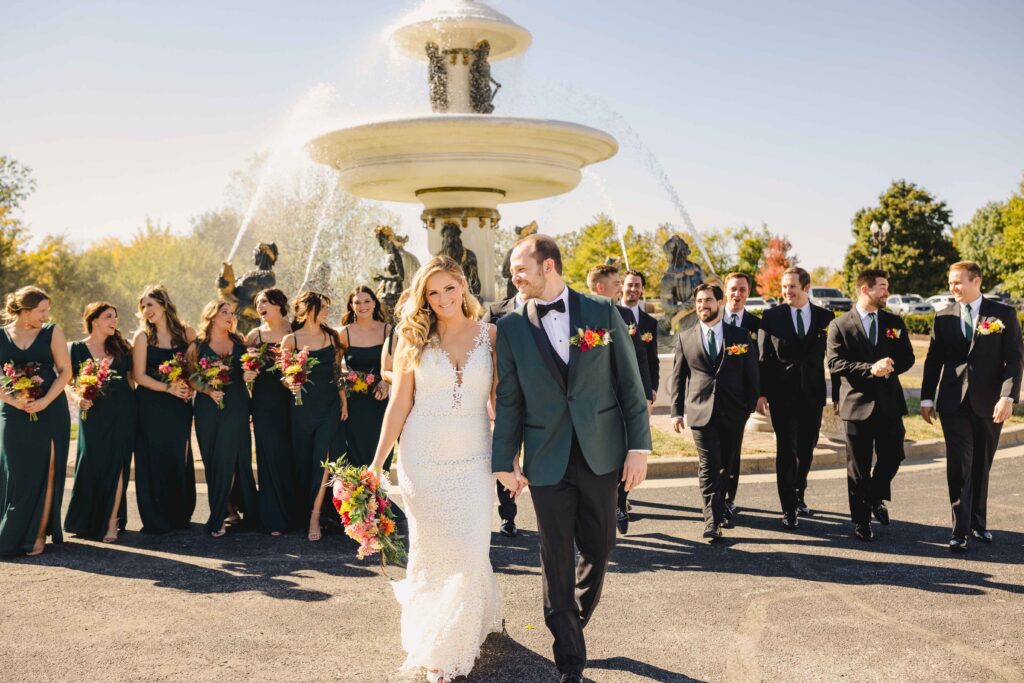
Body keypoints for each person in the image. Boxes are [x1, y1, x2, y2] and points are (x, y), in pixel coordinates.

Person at [493, 235, 651, 683]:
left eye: (520, 268)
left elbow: (630, 385)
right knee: (554, 555)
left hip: (602, 454)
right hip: (545, 458)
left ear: (548, 266)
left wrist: (638, 449)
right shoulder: (510, 328)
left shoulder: (602, 313)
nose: (514, 276)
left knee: (600, 547)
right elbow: (509, 401)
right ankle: (570, 661)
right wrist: (505, 460)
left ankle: (571, 623)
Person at [370, 256, 502, 683]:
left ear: (463, 287)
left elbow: (499, 404)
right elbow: (399, 404)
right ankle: (439, 649)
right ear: (423, 298)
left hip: (474, 457)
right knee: (432, 552)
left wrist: (510, 461)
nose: (443, 299)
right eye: (433, 292)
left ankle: (465, 622)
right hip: (422, 458)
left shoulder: (492, 336)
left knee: (469, 549)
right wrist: (377, 462)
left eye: (449, 288)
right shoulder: (413, 339)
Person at [921, 261, 1023, 552]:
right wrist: (927, 397)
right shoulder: (943, 316)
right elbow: (933, 360)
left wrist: (1008, 397)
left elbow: (1015, 360)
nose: (952, 288)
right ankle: (960, 530)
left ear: (975, 281)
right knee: (959, 465)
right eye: (950, 283)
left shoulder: (1003, 314)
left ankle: (979, 522)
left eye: (957, 282)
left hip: (990, 403)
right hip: (953, 402)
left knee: (982, 465)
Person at [826, 270, 915, 541]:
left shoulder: (894, 322)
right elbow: (835, 363)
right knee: (858, 467)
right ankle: (862, 522)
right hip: (856, 405)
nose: (887, 292)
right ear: (865, 289)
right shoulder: (839, 325)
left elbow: (908, 357)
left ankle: (875, 497)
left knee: (893, 455)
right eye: (883, 287)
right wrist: (869, 369)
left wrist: (890, 366)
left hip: (889, 404)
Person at [669, 284, 758, 540]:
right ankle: (712, 519)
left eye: (708, 300)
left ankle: (722, 506)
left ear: (719, 303)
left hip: (733, 412)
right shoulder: (685, 337)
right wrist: (677, 411)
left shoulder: (739, 336)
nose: (702, 305)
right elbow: (678, 378)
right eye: (698, 301)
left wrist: (748, 407)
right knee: (709, 466)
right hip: (700, 411)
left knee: (726, 466)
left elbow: (752, 374)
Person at [757, 267, 835, 526]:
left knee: (807, 448)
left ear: (806, 287)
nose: (787, 292)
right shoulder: (771, 317)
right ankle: (788, 507)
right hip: (782, 396)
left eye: (792, 287)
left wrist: (837, 394)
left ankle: (799, 491)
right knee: (786, 450)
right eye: (784, 287)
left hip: (812, 395)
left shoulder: (826, 317)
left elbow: (833, 358)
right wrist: (761, 393)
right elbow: (763, 359)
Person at [0, 287, 72, 556]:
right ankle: (11, 533)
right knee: (17, 473)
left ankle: (39, 534)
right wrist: (14, 401)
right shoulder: (0, 335)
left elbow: (65, 372)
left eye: (46, 311)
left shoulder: (52, 331)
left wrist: (44, 401)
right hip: (12, 411)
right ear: (24, 310)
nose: (46, 315)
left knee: (48, 468)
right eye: (41, 311)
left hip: (51, 410)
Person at [586, 263, 653, 536]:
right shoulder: (579, 315)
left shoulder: (625, 315)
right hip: (593, 403)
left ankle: (620, 504)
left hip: (622, 399)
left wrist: (647, 392)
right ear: (601, 287)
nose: (622, 289)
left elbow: (639, 357)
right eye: (617, 285)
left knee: (623, 453)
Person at [64, 302, 136, 543]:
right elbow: (68, 382)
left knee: (118, 464)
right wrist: (77, 398)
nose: (114, 321)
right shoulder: (76, 348)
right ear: (94, 320)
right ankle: (86, 520)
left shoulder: (123, 349)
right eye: (108, 317)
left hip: (123, 413)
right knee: (91, 463)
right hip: (92, 414)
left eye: (115, 317)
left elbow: (131, 381)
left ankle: (112, 521)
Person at [190, 299, 259, 537]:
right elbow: (190, 377)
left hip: (237, 405)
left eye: (231, 313)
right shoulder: (197, 345)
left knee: (232, 459)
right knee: (214, 460)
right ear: (211, 316)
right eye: (224, 312)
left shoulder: (240, 342)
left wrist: (251, 374)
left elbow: (248, 372)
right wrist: (208, 389)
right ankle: (229, 509)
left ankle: (219, 516)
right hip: (207, 409)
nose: (230, 316)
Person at [281, 291, 347, 542]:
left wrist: (343, 402)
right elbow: (285, 375)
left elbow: (337, 371)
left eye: (327, 308)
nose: (326, 312)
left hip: (330, 407)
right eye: (322, 308)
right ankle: (303, 510)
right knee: (304, 461)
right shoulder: (291, 340)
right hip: (302, 409)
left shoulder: (332, 337)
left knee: (326, 458)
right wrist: (290, 383)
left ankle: (315, 517)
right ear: (308, 309)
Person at [132, 285, 197, 534]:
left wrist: (190, 385)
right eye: (143, 306)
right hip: (151, 405)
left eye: (151, 304)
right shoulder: (142, 337)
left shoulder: (186, 332)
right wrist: (167, 388)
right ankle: (156, 517)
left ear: (164, 304)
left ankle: (180, 513)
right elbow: (138, 376)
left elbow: (196, 368)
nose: (147, 310)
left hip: (179, 405)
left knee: (177, 455)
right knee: (153, 458)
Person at [246, 288, 295, 535]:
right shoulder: (255, 336)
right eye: (257, 303)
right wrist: (248, 375)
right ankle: (274, 518)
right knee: (269, 455)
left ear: (278, 304)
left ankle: (297, 513)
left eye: (264, 301)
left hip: (294, 400)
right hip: (264, 402)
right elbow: (245, 371)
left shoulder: (294, 329)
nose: (260, 306)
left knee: (292, 454)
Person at [482, 288, 527, 538]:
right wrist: (490, 394)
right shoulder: (495, 312)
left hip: (538, 398)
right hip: (504, 394)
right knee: (506, 452)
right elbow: (483, 353)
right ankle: (508, 516)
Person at [719, 272, 761, 517]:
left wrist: (757, 396)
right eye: (733, 289)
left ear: (748, 292)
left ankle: (729, 498)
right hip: (712, 398)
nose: (737, 294)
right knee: (713, 453)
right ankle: (713, 497)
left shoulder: (756, 324)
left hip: (739, 400)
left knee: (734, 451)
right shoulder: (711, 318)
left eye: (742, 290)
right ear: (725, 291)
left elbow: (761, 362)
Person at [339, 286, 393, 469]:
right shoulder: (344, 333)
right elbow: (334, 368)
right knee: (357, 453)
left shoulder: (387, 330)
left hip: (381, 400)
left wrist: (386, 382)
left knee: (381, 450)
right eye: (357, 302)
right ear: (351, 306)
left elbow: (398, 365)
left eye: (367, 301)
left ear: (375, 303)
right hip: (354, 404)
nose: (363, 306)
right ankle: (358, 497)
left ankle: (380, 497)